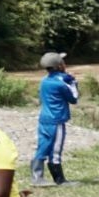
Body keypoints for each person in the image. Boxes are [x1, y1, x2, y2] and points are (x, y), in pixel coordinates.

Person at [33, 51, 79, 186]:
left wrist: (66, 78)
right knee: (56, 149)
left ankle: (37, 177)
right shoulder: (61, 83)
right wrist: (74, 82)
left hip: (44, 119)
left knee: (43, 146)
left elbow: (59, 79)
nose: (65, 64)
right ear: (59, 66)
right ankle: (60, 180)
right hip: (56, 120)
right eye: (63, 62)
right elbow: (74, 99)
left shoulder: (44, 81)